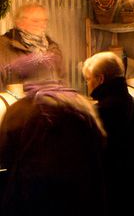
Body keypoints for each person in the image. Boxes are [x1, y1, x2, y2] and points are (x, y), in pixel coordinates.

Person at [0, 82, 106, 214]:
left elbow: (6, 155)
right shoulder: (82, 107)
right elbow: (97, 156)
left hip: (33, 201)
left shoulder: (20, 110)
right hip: (78, 200)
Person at [83, 51, 134, 216]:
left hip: (108, 193)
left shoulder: (97, 114)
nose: (87, 84)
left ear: (101, 79)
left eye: (88, 79)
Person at [0, 2, 63, 85]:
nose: (42, 25)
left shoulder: (53, 48)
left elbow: (61, 80)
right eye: (35, 21)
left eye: (44, 21)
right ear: (19, 23)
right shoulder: (3, 47)